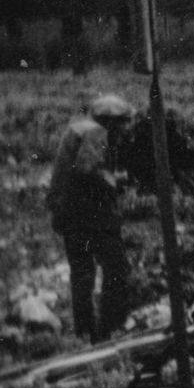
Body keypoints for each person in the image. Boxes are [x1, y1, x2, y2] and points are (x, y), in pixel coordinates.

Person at [47, 93, 134, 340]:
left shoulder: (77, 128)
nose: (126, 129)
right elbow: (88, 169)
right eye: (124, 122)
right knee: (117, 267)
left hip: (68, 214)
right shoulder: (96, 132)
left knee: (82, 273)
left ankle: (85, 332)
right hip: (88, 217)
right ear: (112, 122)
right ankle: (110, 328)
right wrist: (115, 181)